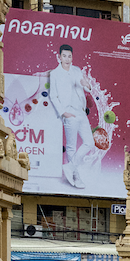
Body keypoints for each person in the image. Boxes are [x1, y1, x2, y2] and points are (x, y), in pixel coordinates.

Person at [50, 44, 95, 189]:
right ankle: (76, 177)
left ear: (72, 57)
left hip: (81, 111)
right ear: (59, 57)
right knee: (71, 147)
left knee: (89, 142)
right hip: (69, 112)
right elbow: (53, 96)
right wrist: (63, 112)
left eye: (69, 56)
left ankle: (70, 167)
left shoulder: (77, 71)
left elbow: (87, 87)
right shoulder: (55, 74)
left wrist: (87, 84)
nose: (67, 59)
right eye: (64, 56)